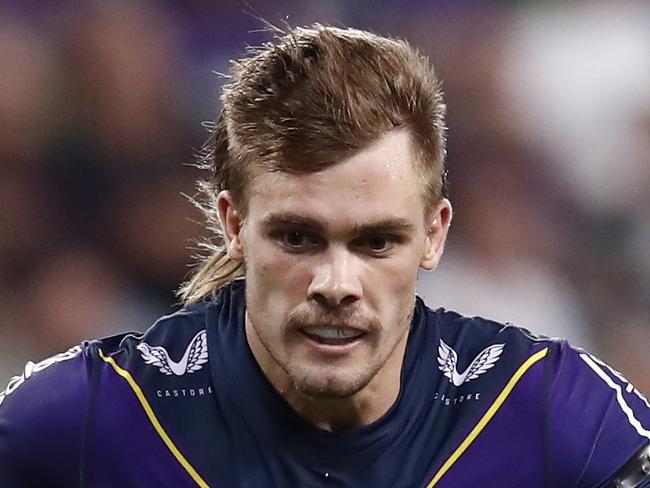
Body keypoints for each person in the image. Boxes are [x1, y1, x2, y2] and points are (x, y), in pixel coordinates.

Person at [1, 24, 649, 488]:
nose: (337, 283)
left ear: (434, 233)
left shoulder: (550, 413)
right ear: (233, 224)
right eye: (297, 238)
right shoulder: (93, 416)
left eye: (377, 241)